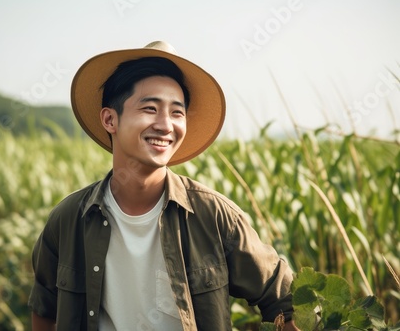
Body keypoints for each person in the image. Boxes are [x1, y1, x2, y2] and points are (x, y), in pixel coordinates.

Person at [28, 41, 300, 330]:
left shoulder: (214, 216)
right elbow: (45, 310)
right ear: (110, 119)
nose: (165, 125)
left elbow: (284, 300)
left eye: (177, 112)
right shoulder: (69, 219)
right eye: (150, 108)